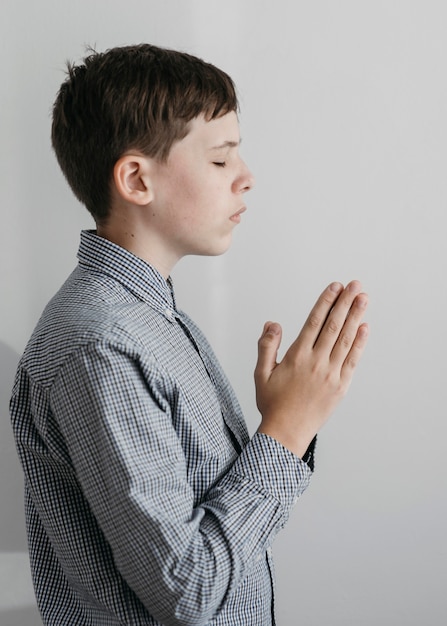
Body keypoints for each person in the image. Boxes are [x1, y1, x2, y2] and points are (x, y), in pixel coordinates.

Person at [10, 44, 369, 626]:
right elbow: (190, 591)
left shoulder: (148, 316)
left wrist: (287, 426)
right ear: (136, 179)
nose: (247, 178)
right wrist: (285, 431)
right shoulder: (100, 347)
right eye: (222, 160)